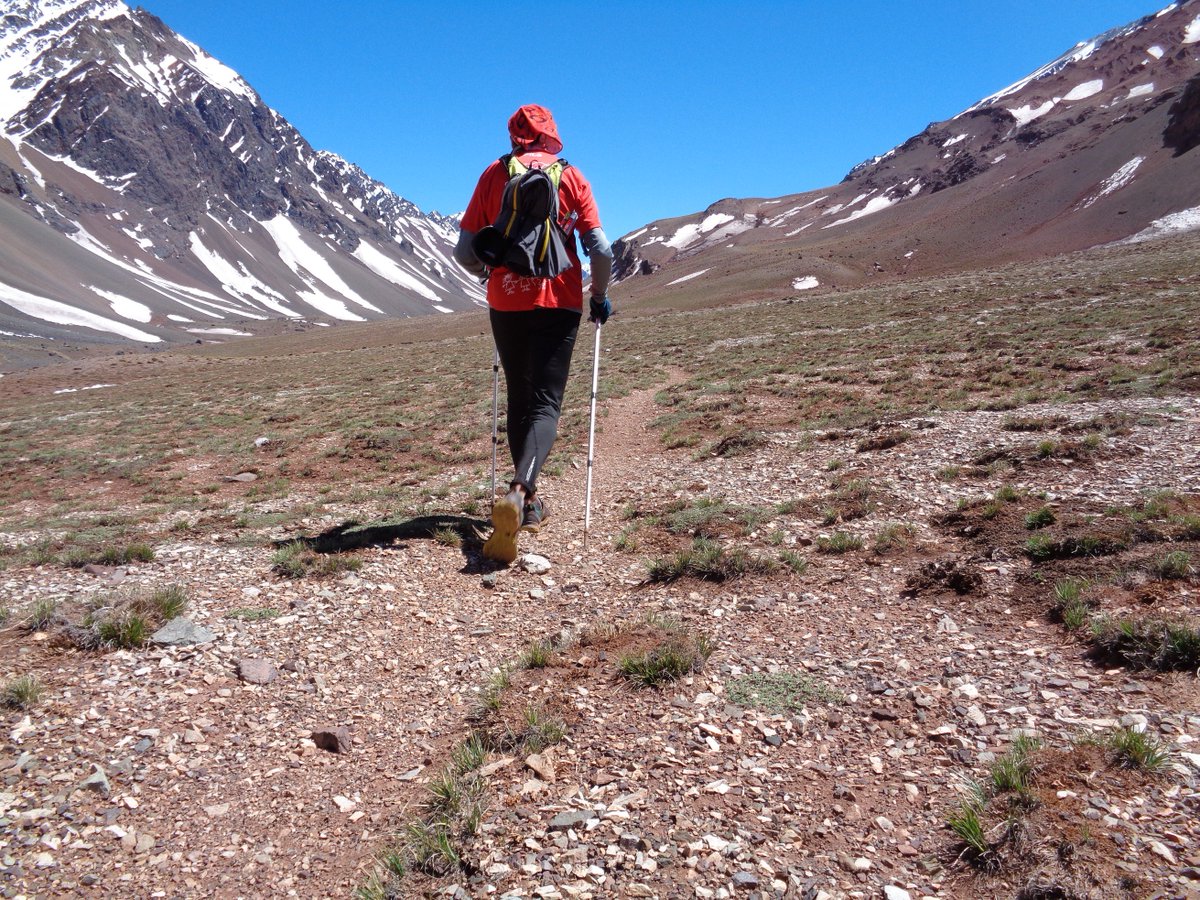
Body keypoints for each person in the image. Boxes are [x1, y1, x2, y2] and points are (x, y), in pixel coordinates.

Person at [454, 104, 613, 564]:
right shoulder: (571, 177)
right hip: (559, 300)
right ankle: (521, 490)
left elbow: (464, 252)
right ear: (552, 135)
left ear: (513, 136)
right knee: (546, 403)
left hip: (506, 302)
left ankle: (526, 502)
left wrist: (491, 273)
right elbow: (600, 248)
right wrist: (599, 295)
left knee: (520, 400)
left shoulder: (494, 174)